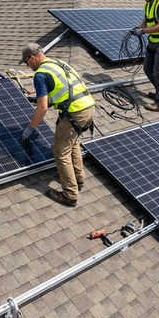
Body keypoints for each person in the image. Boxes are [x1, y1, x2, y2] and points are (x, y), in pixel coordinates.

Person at [18, 43, 95, 207]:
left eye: (26, 63)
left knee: (60, 152)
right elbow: (65, 89)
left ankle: (70, 194)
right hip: (88, 107)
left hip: (75, 113)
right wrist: (39, 97)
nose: (28, 66)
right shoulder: (59, 63)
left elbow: (43, 107)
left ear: (32, 58)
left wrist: (30, 128)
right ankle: (79, 179)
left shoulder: (40, 74)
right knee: (72, 143)